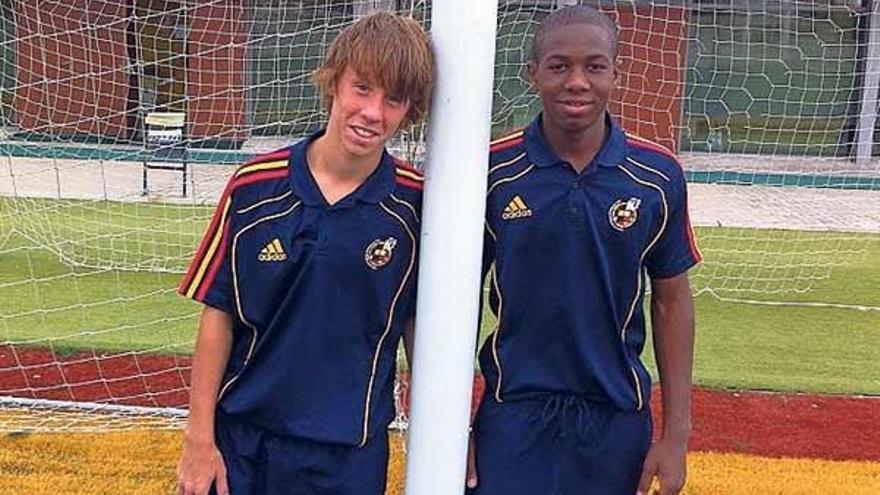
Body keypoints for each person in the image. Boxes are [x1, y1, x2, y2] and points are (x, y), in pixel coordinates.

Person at [175, 11, 433, 495]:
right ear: (334, 81)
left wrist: (440, 437)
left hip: (346, 456)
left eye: (393, 99)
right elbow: (218, 317)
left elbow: (419, 328)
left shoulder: (416, 205)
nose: (373, 113)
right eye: (362, 88)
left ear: (409, 110)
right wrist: (198, 439)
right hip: (242, 443)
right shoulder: (254, 186)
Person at [466, 5, 700, 495]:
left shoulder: (657, 176)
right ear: (532, 74)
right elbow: (457, 300)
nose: (577, 81)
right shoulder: (490, 172)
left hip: (615, 418)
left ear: (617, 72)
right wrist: (455, 425)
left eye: (594, 66)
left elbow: (672, 299)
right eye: (559, 66)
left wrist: (676, 435)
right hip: (513, 416)